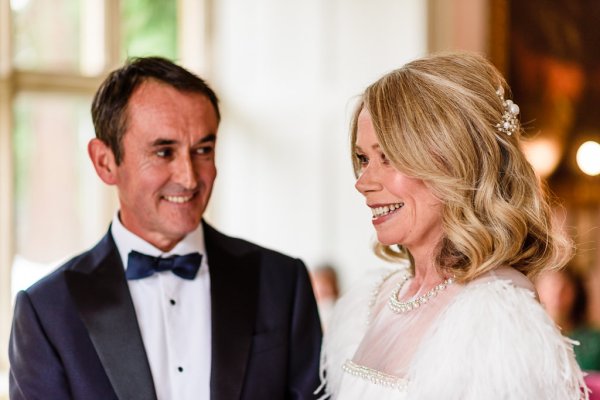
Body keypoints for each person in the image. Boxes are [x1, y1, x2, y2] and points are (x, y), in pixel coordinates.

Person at [9, 56, 322, 400]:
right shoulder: (47, 311)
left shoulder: (281, 283)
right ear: (105, 162)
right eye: (164, 152)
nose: (189, 178)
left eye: (203, 150)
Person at [317, 52, 588, 399]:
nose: (363, 181)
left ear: (454, 165)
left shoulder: (497, 318)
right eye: (363, 159)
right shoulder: (371, 300)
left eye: (388, 157)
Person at [537, 267, 600, 371]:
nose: (557, 295)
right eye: (550, 287)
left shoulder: (595, 343)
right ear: (536, 289)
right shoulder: (530, 341)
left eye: (564, 288)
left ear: (575, 293)